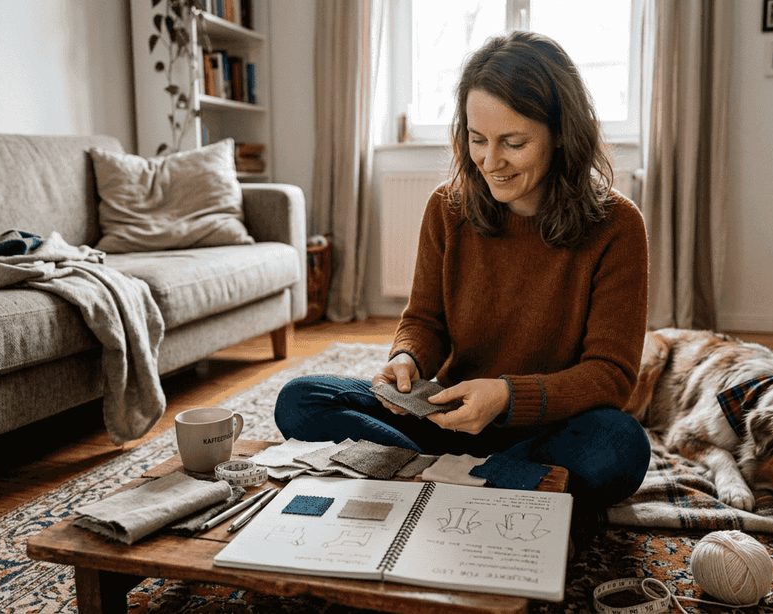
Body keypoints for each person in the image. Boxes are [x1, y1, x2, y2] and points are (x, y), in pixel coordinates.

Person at [275, 31, 651, 515]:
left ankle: (435, 474)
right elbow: (424, 321)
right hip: (447, 417)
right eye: (477, 139)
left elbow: (611, 375)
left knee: (620, 447)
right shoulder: (447, 208)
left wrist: (508, 396)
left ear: (561, 135)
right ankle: (487, 479)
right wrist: (408, 360)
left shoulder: (618, 225)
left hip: (548, 426)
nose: (490, 162)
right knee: (300, 399)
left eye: (513, 143)